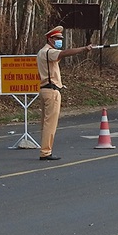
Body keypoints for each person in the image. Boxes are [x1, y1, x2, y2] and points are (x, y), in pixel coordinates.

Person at [36, 26, 93, 160]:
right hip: (51, 91)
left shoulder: (42, 52)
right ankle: (45, 152)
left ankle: (45, 149)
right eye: (57, 39)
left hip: (45, 89)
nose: (59, 41)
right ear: (50, 39)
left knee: (45, 123)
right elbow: (64, 53)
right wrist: (84, 48)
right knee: (50, 123)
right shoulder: (49, 52)